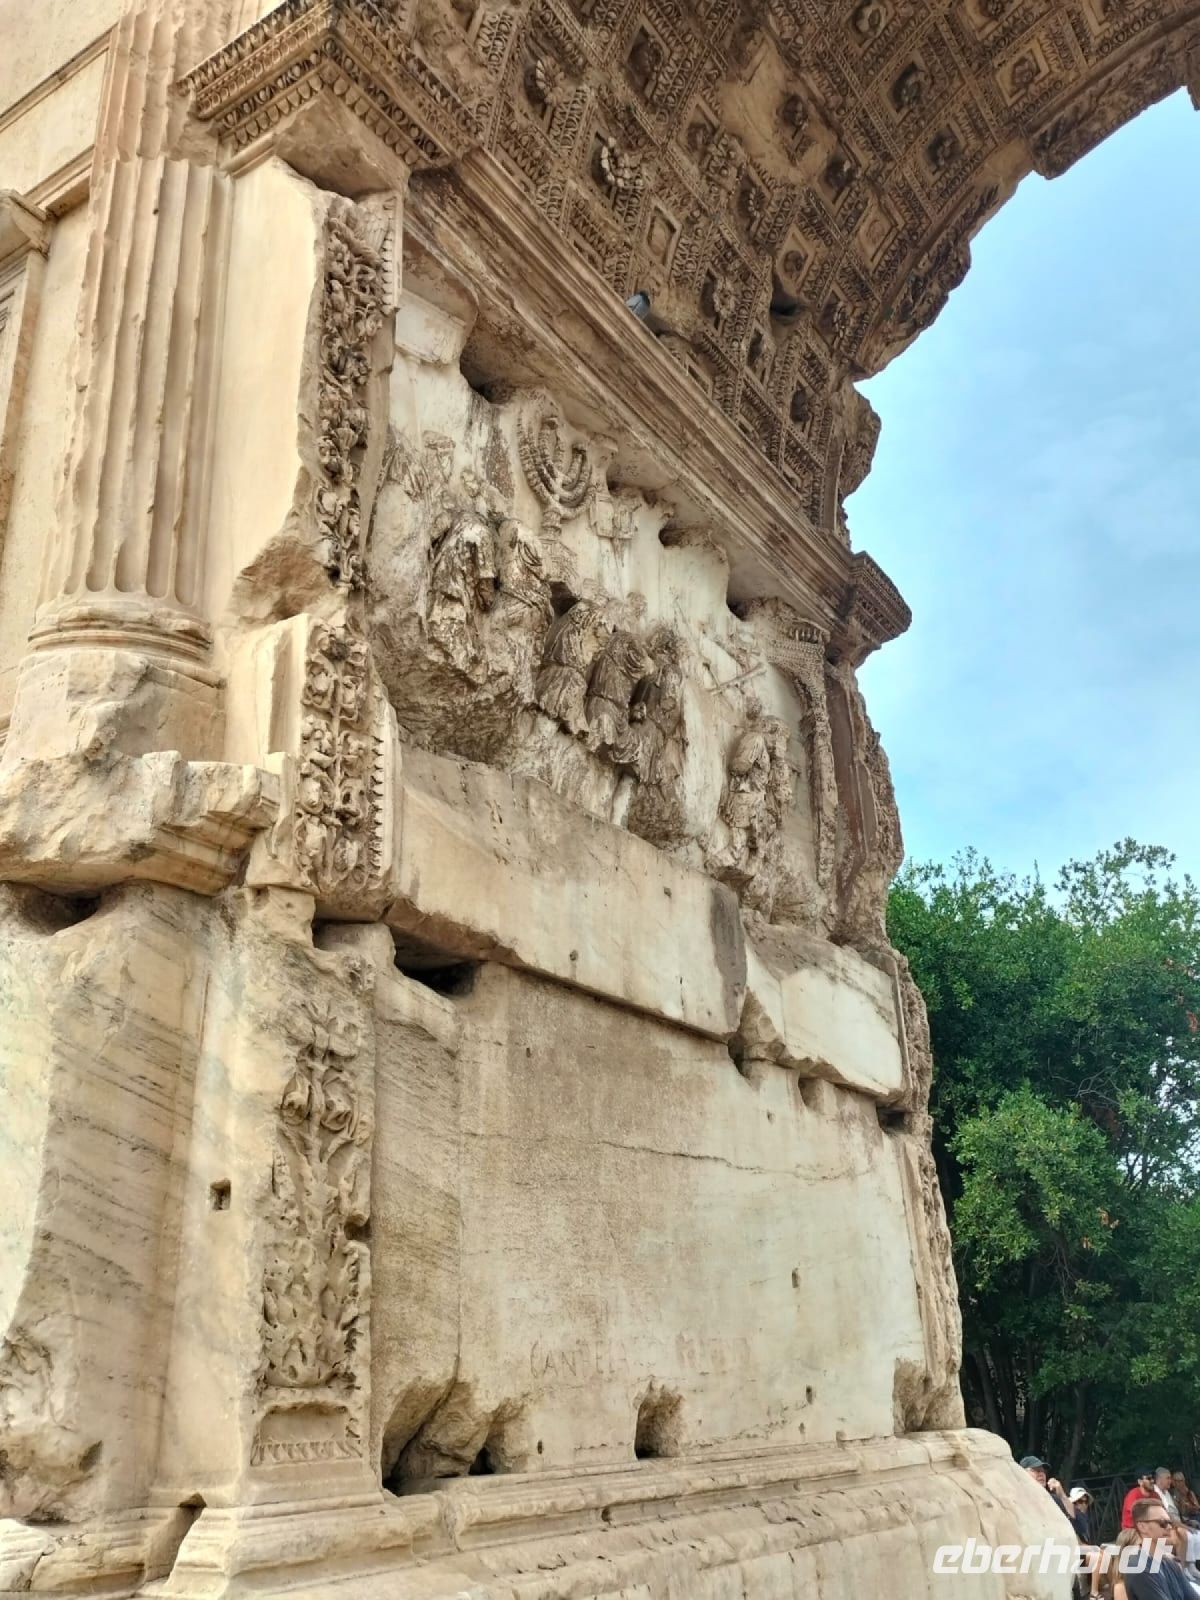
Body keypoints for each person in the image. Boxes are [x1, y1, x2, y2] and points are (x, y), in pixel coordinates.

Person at [1123, 1498, 1197, 1599]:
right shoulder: (1137, 1566)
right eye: (1163, 1523)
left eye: (1170, 1522)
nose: (1169, 1527)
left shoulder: (1170, 1563)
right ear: (1142, 1527)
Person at [1020, 1454, 1074, 1519]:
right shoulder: (1016, 1499)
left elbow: (1072, 1517)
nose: (1041, 1474)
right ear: (1022, 1473)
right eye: (1035, 1470)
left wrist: (1061, 1494)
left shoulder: (1053, 1499)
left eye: (1043, 1471)